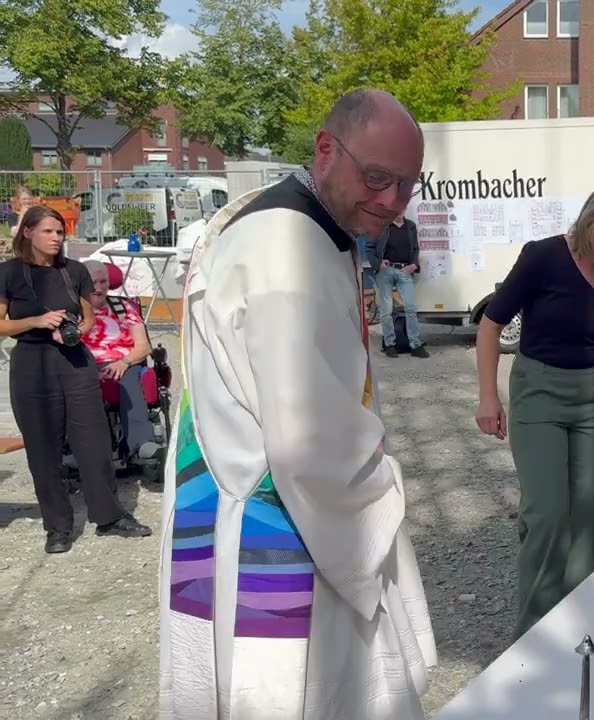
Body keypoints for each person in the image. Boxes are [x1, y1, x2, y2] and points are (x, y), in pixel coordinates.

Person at [158, 88, 437, 719]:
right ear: (324, 149)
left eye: (408, 186)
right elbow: (306, 444)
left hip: (225, 493)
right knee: (304, 693)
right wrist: (381, 489)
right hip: (286, 523)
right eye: (377, 178)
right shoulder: (290, 250)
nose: (392, 204)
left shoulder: (272, 216)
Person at [474, 177, 594, 640]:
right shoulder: (543, 257)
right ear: (591, 219)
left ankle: (584, 627)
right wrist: (488, 396)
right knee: (548, 512)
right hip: (538, 391)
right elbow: (491, 325)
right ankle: (535, 634)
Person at [0, 206, 151, 554]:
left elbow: (86, 320)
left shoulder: (75, 271)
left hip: (75, 360)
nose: (56, 238)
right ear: (28, 233)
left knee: (93, 440)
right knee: (42, 447)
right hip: (31, 362)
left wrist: (74, 331)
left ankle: (109, 516)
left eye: (60, 233)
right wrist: (36, 322)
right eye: (48, 232)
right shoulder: (9, 272)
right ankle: (58, 526)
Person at [81, 260, 162, 462]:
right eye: (93, 283)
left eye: (103, 282)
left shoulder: (124, 307)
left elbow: (143, 346)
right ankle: (79, 447)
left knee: (131, 377)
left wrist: (124, 362)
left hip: (125, 362)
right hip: (85, 365)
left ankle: (142, 443)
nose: (99, 288)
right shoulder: (73, 310)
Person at [371, 213, 429, 358]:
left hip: (404, 270)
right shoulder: (381, 225)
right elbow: (369, 247)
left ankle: (415, 345)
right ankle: (390, 344)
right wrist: (378, 264)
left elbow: (415, 248)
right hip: (386, 271)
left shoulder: (410, 226)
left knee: (410, 307)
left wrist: (414, 265)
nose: (399, 211)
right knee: (387, 310)